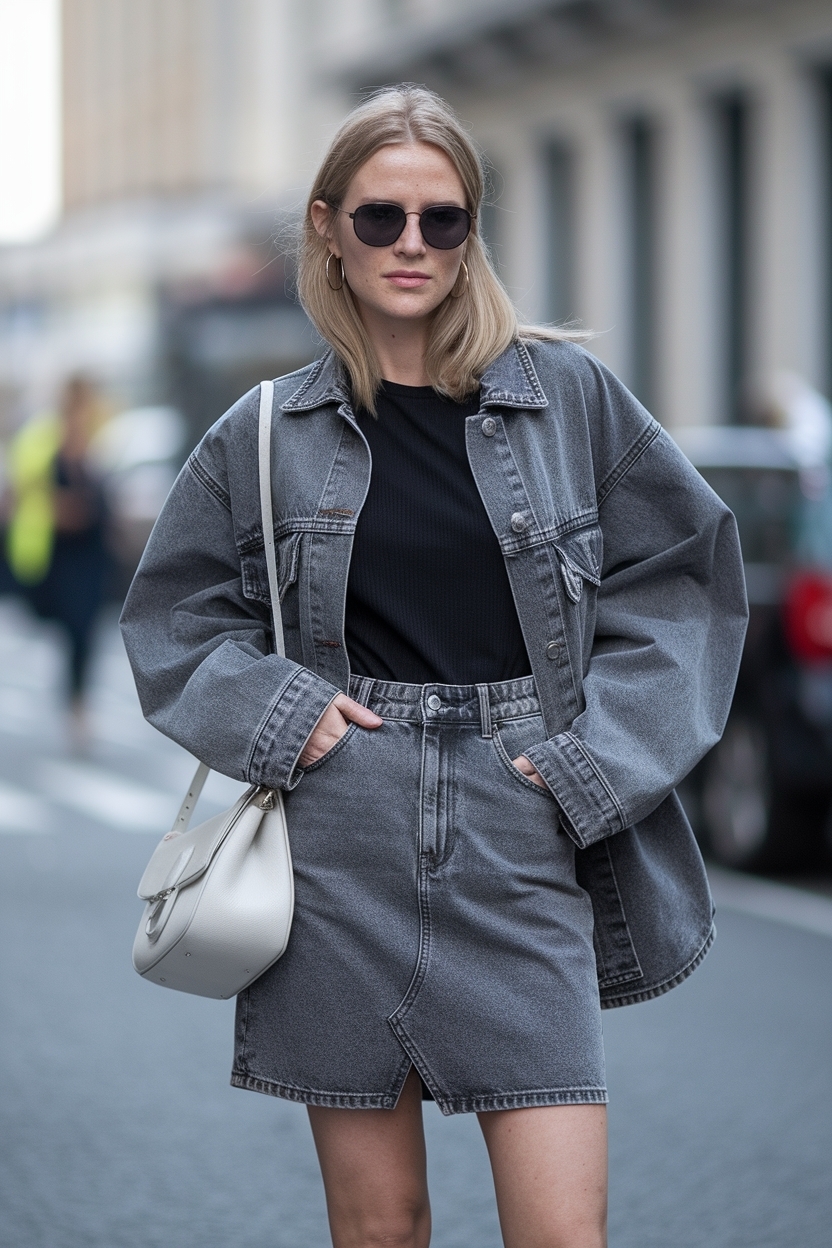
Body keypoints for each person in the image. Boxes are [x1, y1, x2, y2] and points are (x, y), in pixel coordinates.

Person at [120, 86, 747, 1248]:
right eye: (381, 219)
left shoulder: (568, 401)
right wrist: (283, 713)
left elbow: (685, 582)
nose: (412, 246)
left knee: (564, 1232)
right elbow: (173, 619)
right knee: (379, 1228)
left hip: (524, 821)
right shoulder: (263, 431)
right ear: (326, 226)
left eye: (442, 220)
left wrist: (586, 767)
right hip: (338, 839)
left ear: (470, 234)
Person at [2, 375, 110, 741]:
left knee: (84, 633)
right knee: (69, 628)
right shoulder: (43, 440)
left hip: (91, 554)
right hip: (57, 554)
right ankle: (72, 702)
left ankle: (77, 704)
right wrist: (60, 509)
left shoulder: (97, 440)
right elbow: (23, 495)